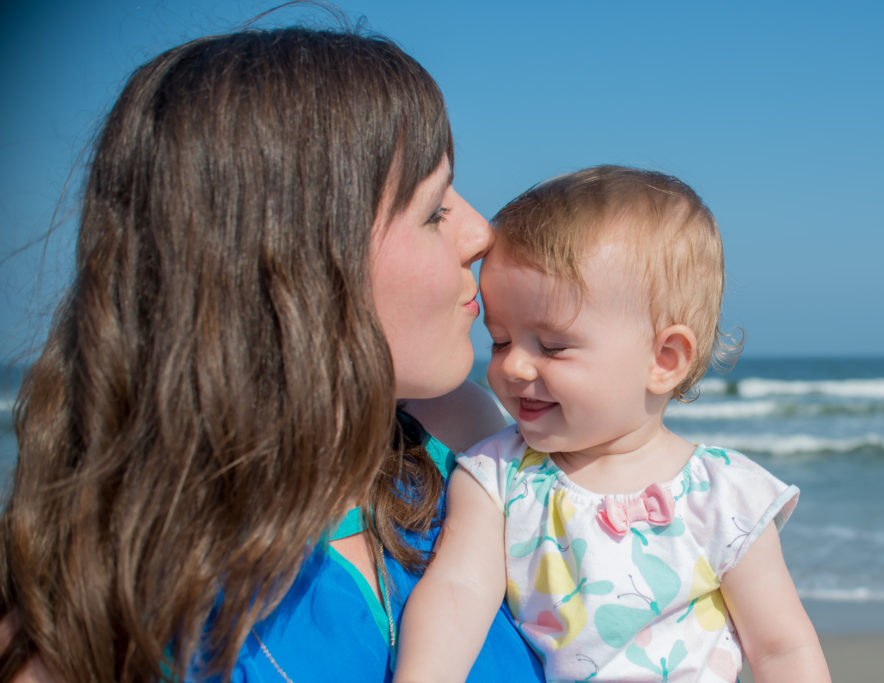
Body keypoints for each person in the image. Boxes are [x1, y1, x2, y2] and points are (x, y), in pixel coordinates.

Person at [0, 26, 544, 682]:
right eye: (433, 210)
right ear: (296, 265)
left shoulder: (468, 442)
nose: (482, 232)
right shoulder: (85, 628)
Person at [394, 166, 832, 682]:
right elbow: (457, 593)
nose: (513, 367)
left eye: (552, 346)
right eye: (501, 340)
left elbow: (782, 650)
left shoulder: (723, 498)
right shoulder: (496, 477)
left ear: (664, 359)